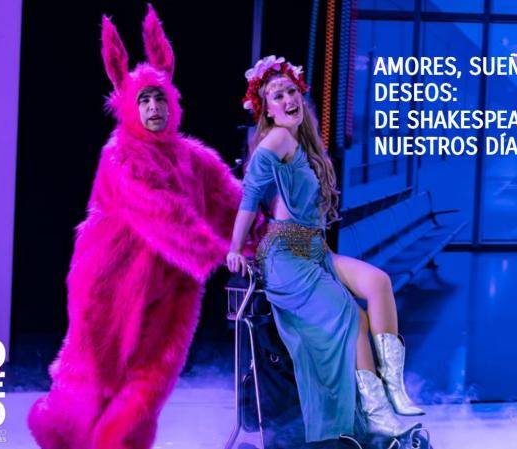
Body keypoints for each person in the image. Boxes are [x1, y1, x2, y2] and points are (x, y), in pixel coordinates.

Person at [27, 6, 252, 449]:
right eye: (144, 100)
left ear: (173, 103)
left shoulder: (193, 158)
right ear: (129, 107)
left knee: (149, 388)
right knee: (92, 384)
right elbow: (163, 213)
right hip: (109, 288)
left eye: (160, 98)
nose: (153, 107)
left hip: (171, 291)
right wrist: (220, 252)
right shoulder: (121, 154)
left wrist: (266, 230)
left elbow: (231, 201)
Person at [226, 55, 424, 445]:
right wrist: (234, 248)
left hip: (315, 249)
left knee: (379, 283)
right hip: (286, 254)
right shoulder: (278, 138)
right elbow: (249, 194)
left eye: (290, 91)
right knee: (353, 317)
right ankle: (378, 414)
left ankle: (393, 393)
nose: (287, 99)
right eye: (276, 96)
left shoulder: (303, 142)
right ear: (267, 110)